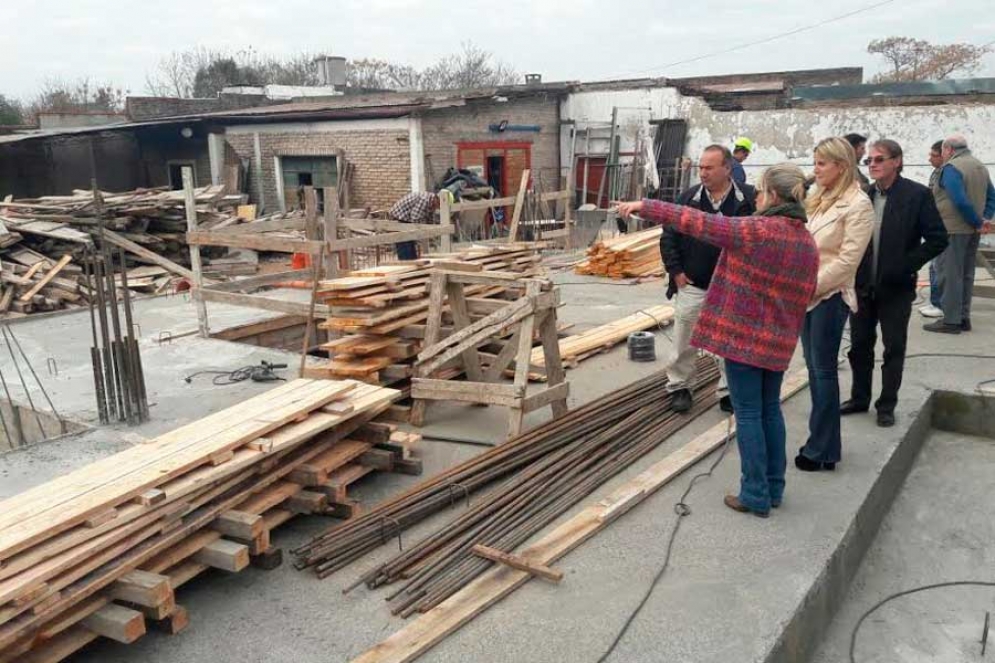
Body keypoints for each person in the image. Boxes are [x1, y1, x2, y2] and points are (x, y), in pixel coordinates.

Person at [617, 163, 819, 518]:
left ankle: (754, 494)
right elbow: (805, 293)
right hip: (778, 343)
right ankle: (773, 488)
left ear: (773, 196)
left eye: (760, 191)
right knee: (770, 410)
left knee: (749, 414)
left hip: (744, 342)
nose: (756, 197)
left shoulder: (757, 230)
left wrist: (644, 206)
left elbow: (697, 221)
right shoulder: (806, 241)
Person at [843, 140, 947, 427]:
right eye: (869, 160)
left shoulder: (917, 195)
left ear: (897, 161)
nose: (872, 164)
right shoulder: (863, 195)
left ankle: (886, 405)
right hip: (863, 287)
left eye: (879, 159)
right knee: (859, 347)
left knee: (893, 348)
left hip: (896, 289)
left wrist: (905, 266)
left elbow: (938, 238)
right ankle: (859, 398)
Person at [795, 137, 873, 472]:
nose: (816, 169)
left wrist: (809, 287)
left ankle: (822, 448)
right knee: (814, 370)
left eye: (822, 163)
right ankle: (823, 443)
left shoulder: (858, 205)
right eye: (815, 162)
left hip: (829, 296)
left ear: (841, 166)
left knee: (824, 371)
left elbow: (847, 262)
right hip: (806, 295)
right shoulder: (819, 198)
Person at [660, 145, 756, 414]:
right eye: (701, 167)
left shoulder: (748, 199)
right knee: (685, 339)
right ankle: (680, 386)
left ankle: (728, 390)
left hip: (733, 286)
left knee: (729, 342)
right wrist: (676, 271)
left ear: (727, 168)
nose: (702, 173)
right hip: (693, 283)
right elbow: (668, 236)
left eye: (709, 168)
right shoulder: (688, 198)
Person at [925, 135, 995, 334]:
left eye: (942, 151)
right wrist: (984, 219)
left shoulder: (951, 168)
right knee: (966, 274)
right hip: (972, 231)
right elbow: (992, 196)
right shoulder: (980, 166)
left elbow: (960, 200)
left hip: (953, 229)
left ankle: (951, 321)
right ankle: (963, 318)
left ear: (948, 149)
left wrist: (977, 221)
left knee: (949, 275)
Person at [919, 141, 947, 319]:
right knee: (934, 266)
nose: (930, 159)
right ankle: (936, 301)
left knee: (938, 267)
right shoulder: (937, 172)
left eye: (934, 155)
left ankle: (939, 304)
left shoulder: (947, 173)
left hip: (944, 225)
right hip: (937, 223)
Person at [388, 191, 440, 260]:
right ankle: (406, 262)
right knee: (404, 242)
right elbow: (415, 218)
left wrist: (431, 231)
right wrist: (421, 231)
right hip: (399, 216)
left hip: (407, 218)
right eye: (438, 205)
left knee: (410, 241)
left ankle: (411, 260)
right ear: (436, 199)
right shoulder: (424, 200)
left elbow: (430, 219)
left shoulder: (431, 202)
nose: (438, 207)